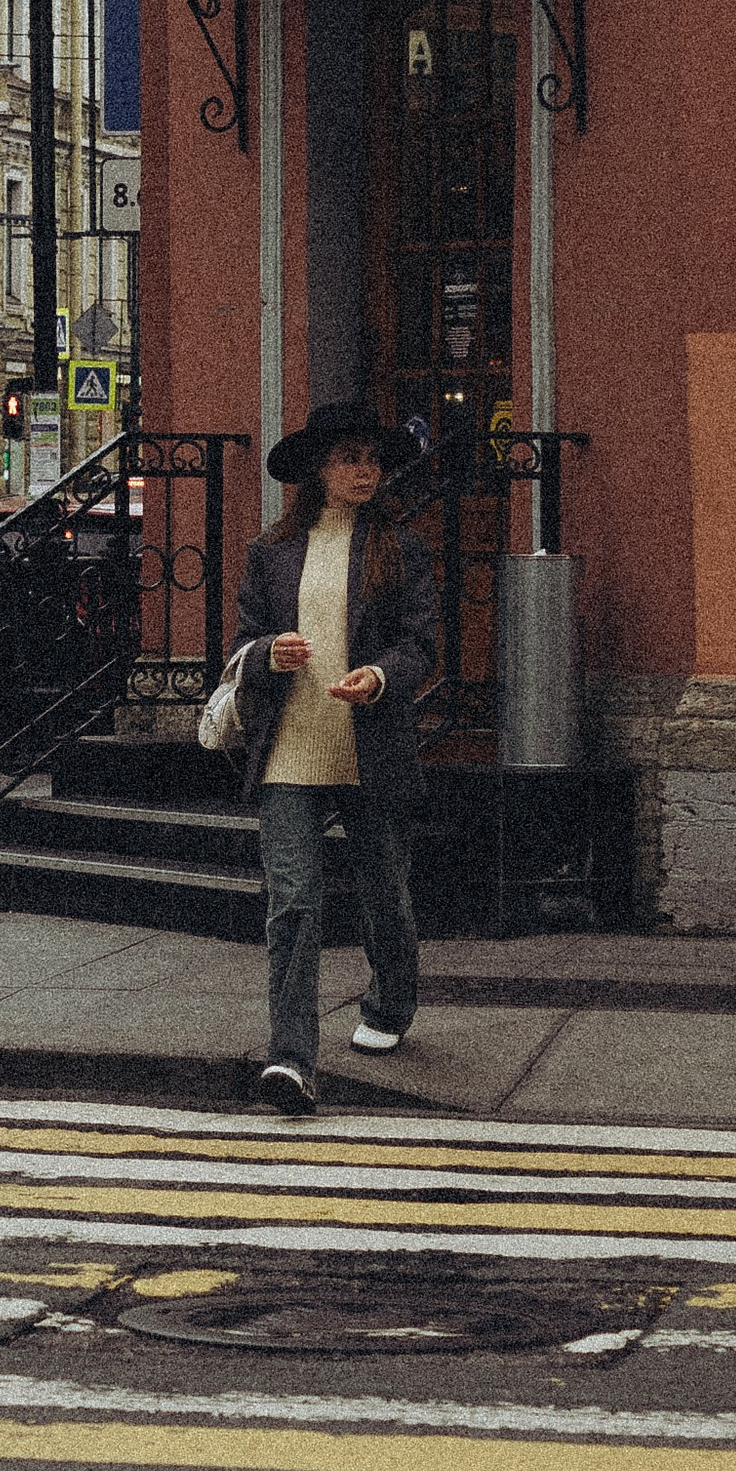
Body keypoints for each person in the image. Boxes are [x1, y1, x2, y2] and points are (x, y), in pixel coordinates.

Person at [233, 401, 437, 1116]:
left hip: (368, 746)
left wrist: (378, 677)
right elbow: (243, 644)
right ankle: (292, 1059)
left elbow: (420, 647)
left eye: (374, 461)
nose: (366, 472)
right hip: (290, 747)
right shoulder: (271, 551)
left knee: (386, 893)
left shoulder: (401, 548)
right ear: (320, 469)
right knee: (293, 903)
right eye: (351, 458)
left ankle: (389, 1004)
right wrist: (267, 654)